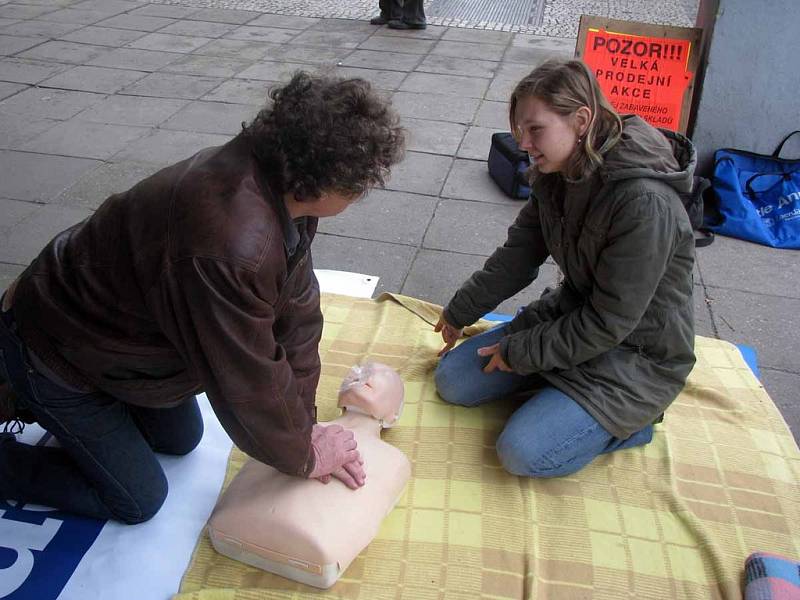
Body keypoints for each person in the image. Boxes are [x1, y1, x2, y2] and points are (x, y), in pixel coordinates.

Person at [0, 71, 405, 523]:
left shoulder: (281, 181)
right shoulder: (233, 245)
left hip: (121, 339)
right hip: (57, 349)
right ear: (323, 183)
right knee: (138, 500)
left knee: (181, 440)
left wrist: (305, 427)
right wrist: (303, 455)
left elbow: (298, 314)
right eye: (360, 185)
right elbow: (244, 374)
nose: (363, 193)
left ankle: (97, 421)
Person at [434, 59, 697, 479]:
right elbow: (518, 256)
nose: (523, 143)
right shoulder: (556, 170)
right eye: (520, 129)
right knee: (452, 381)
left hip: (637, 355)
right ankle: (560, 398)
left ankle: (634, 422)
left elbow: (610, 324)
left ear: (581, 120)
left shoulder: (644, 202)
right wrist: (459, 311)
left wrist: (520, 352)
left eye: (535, 129)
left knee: (521, 453)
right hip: (574, 320)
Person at [208, 362, 410, 589]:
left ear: (394, 416)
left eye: (382, 373)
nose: (363, 373)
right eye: (360, 368)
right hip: (237, 527)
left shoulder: (394, 459)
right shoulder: (289, 430)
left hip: (304, 546)